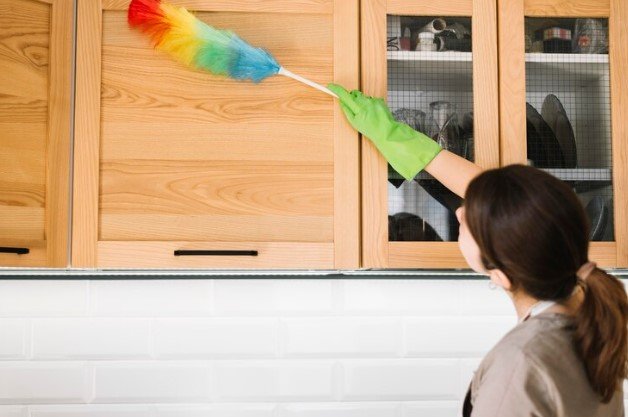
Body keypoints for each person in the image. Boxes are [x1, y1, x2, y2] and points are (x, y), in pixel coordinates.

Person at [328, 84, 627, 417]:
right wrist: (398, 139)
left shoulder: (523, 362)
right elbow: (509, 203)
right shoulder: (592, 337)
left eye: (467, 224)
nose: (458, 212)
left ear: (499, 274)